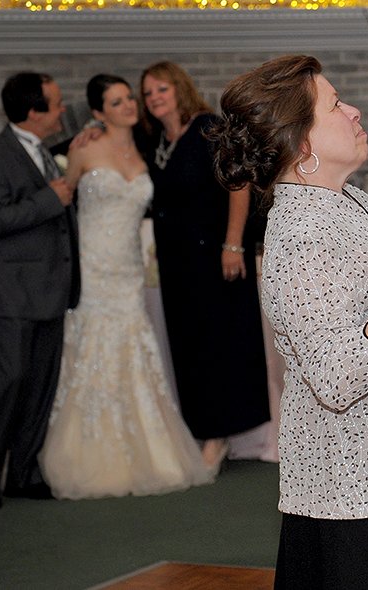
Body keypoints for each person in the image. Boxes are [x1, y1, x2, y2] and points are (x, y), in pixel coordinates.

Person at [210, 54, 368, 589]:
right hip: (358, 489)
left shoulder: (339, 202)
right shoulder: (300, 238)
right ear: (303, 146)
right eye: (336, 105)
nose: (354, 111)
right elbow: (336, 376)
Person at [38, 75, 214, 499]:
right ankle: (90, 451)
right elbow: (59, 195)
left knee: (134, 348)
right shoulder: (81, 147)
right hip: (93, 265)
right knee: (91, 346)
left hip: (130, 268)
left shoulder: (149, 147)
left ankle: (149, 448)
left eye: (129, 99)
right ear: (98, 113)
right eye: (116, 102)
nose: (129, 106)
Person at [139, 61, 270, 469]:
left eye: (161, 89)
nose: (154, 98)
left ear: (179, 88)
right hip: (180, 264)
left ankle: (218, 436)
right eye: (148, 93)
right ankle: (203, 430)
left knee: (218, 347)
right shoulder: (159, 139)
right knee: (190, 348)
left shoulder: (207, 127)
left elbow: (239, 183)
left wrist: (234, 244)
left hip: (217, 258)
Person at [0, 72, 79, 510]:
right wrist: (50, 200)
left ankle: (25, 473)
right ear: (34, 113)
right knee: (8, 384)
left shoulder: (45, 153)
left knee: (40, 388)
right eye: (55, 103)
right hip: (10, 294)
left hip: (50, 290)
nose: (62, 109)